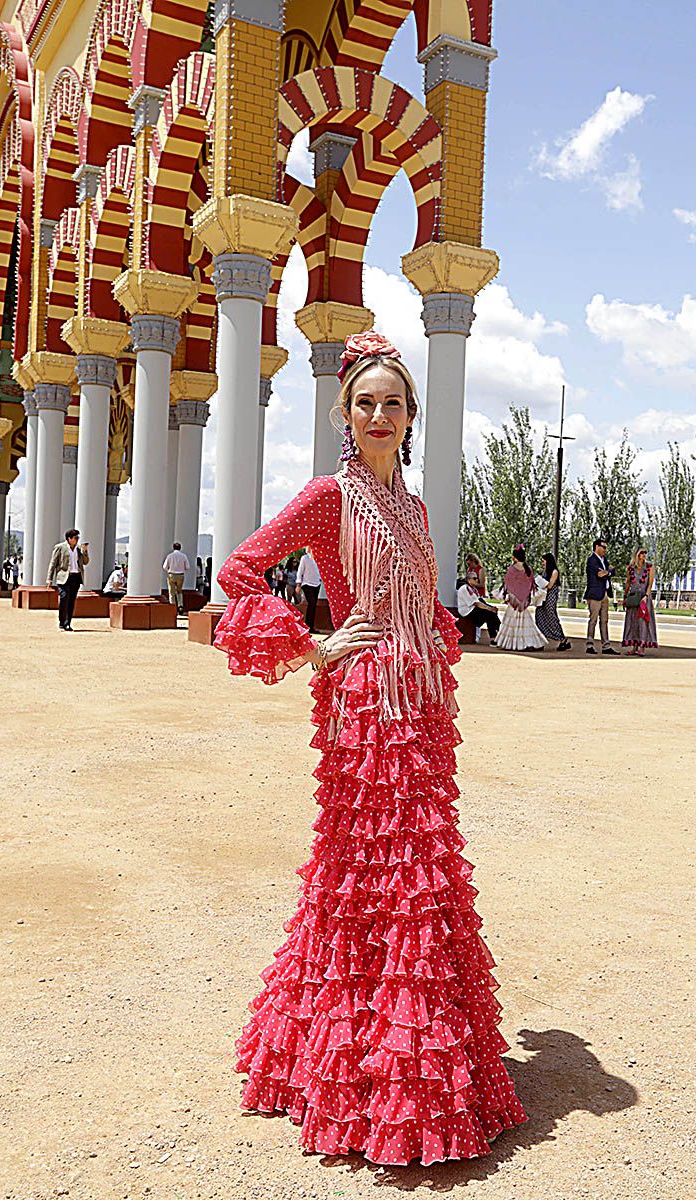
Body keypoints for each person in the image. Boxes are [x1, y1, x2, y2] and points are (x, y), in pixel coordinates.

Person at [214, 330, 527, 1164]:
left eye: (393, 402)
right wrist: (315, 647)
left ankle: (419, 1052)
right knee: (362, 868)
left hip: (419, 705)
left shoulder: (416, 509)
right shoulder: (327, 496)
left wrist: (422, 645)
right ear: (343, 415)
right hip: (362, 703)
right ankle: (357, 1068)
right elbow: (240, 571)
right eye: (366, 403)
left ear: (411, 414)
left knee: (417, 870)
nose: (379, 415)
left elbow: (423, 606)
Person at [497, 545, 548, 651]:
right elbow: (530, 585)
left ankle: (513, 644)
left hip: (513, 601)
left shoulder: (512, 569)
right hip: (524, 600)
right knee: (527, 623)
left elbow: (508, 584)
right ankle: (532, 643)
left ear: (515, 558)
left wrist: (509, 596)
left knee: (511, 622)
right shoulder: (528, 569)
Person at [46, 529, 89, 631]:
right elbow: (53, 564)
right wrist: (49, 578)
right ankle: (62, 620)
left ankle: (67, 622)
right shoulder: (60, 547)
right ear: (69, 539)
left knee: (71, 601)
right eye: (75, 538)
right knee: (64, 598)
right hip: (64, 577)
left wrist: (85, 551)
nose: (77, 540)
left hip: (76, 577)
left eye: (78, 538)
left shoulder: (79, 549)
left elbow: (85, 562)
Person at [585, 537, 618, 656]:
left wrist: (607, 572)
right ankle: (590, 644)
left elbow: (612, 570)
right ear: (596, 547)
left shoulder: (604, 560)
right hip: (595, 594)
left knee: (604, 620)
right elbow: (600, 574)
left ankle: (606, 645)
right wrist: (607, 572)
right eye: (603, 547)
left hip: (604, 593)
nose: (605, 549)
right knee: (593, 619)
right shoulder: (592, 560)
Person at [622, 547, 658, 656]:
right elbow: (628, 583)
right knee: (633, 622)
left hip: (644, 597)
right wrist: (625, 597)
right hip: (633, 597)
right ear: (636, 554)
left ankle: (642, 647)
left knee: (643, 621)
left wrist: (646, 596)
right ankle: (634, 647)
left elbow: (650, 583)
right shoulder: (630, 568)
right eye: (641, 552)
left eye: (645, 553)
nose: (644, 555)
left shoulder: (649, 567)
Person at [536, 552, 571, 651]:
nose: (542, 563)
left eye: (543, 561)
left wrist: (540, 583)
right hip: (543, 597)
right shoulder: (545, 571)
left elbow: (550, 585)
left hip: (550, 596)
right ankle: (540, 641)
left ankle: (562, 638)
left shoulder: (554, 571)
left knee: (551, 616)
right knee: (539, 615)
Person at [456, 570, 500, 643]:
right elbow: (476, 603)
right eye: (474, 578)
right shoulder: (465, 589)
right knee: (489, 613)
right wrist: (489, 608)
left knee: (490, 613)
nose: (477, 580)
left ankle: (494, 636)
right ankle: (498, 632)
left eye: (477, 578)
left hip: (472, 609)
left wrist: (491, 608)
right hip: (467, 612)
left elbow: (479, 601)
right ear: (468, 580)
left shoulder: (473, 589)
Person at [296, 547, 322, 632]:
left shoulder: (318, 558)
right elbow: (300, 571)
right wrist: (298, 584)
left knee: (313, 605)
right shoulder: (305, 558)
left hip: (317, 584)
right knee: (312, 603)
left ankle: (311, 627)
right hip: (307, 584)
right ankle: (307, 626)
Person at [163, 542, 189, 611]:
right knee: (179, 591)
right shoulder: (183, 556)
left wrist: (169, 569)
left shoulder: (169, 556)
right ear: (180, 548)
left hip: (171, 574)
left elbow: (164, 567)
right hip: (180, 575)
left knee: (171, 592)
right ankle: (180, 605)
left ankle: (173, 606)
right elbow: (187, 567)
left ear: (173, 548)